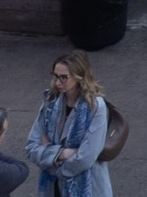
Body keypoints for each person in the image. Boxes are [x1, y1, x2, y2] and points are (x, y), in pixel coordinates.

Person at [24, 53, 112, 197]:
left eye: (64, 77)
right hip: (53, 188)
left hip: (86, 187)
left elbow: (85, 158)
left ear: (79, 77)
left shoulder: (95, 107)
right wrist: (61, 153)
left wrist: (51, 159)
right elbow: (31, 146)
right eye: (55, 76)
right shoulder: (50, 101)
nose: (57, 83)